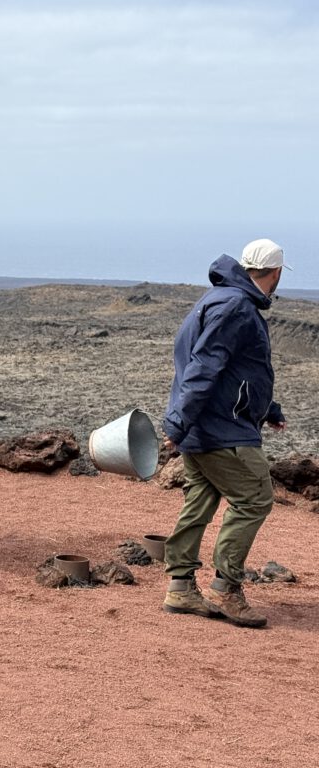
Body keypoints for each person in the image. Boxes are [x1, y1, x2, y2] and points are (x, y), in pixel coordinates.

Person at [160, 238, 289, 628]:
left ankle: (180, 589)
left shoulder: (217, 299)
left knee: (199, 500)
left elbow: (239, 372)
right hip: (221, 430)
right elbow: (204, 368)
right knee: (254, 498)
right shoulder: (237, 308)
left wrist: (269, 410)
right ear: (277, 273)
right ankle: (225, 589)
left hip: (204, 424)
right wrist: (177, 426)